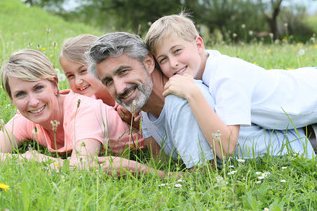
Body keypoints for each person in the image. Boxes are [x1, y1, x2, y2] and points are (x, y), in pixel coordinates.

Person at [86, 32, 315, 169]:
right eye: (108, 81)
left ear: (148, 63)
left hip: (308, 142)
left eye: (124, 71)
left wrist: (135, 170)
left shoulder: (182, 97)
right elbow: (165, 166)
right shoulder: (146, 112)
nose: (119, 88)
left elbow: (202, 179)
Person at [0, 49, 164, 177]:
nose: (33, 102)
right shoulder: (26, 118)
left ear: (54, 84)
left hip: (158, 146)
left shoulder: (83, 108)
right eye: (20, 94)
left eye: (38, 88)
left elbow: (82, 167)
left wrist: (40, 161)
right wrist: (27, 159)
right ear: (11, 98)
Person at [145, 13, 317, 153]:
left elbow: (225, 148)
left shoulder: (226, 76)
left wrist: (191, 93)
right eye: (163, 59)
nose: (173, 63)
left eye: (177, 51)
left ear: (199, 45)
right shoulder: (205, 65)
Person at [59, 34, 140, 128]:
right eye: (70, 76)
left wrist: (133, 122)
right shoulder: (85, 105)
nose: (77, 82)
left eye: (83, 71)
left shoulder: (128, 93)